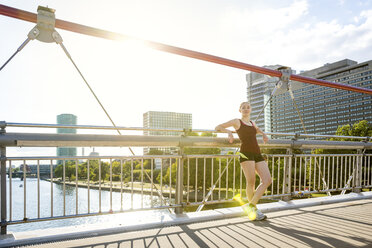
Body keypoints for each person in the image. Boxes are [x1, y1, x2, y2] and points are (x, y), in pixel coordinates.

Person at [215, 101, 272, 220]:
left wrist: (263, 134)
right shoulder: (237, 121)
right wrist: (229, 132)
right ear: (240, 110)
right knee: (251, 182)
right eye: (243, 108)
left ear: (251, 110)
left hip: (257, 153)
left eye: (248, 107)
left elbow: (256, 129)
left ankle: (250, 205)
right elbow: (218, 127)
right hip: (245, 153)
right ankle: (254, 211)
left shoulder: (252, 123)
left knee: (267, 180)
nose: (246, 109)